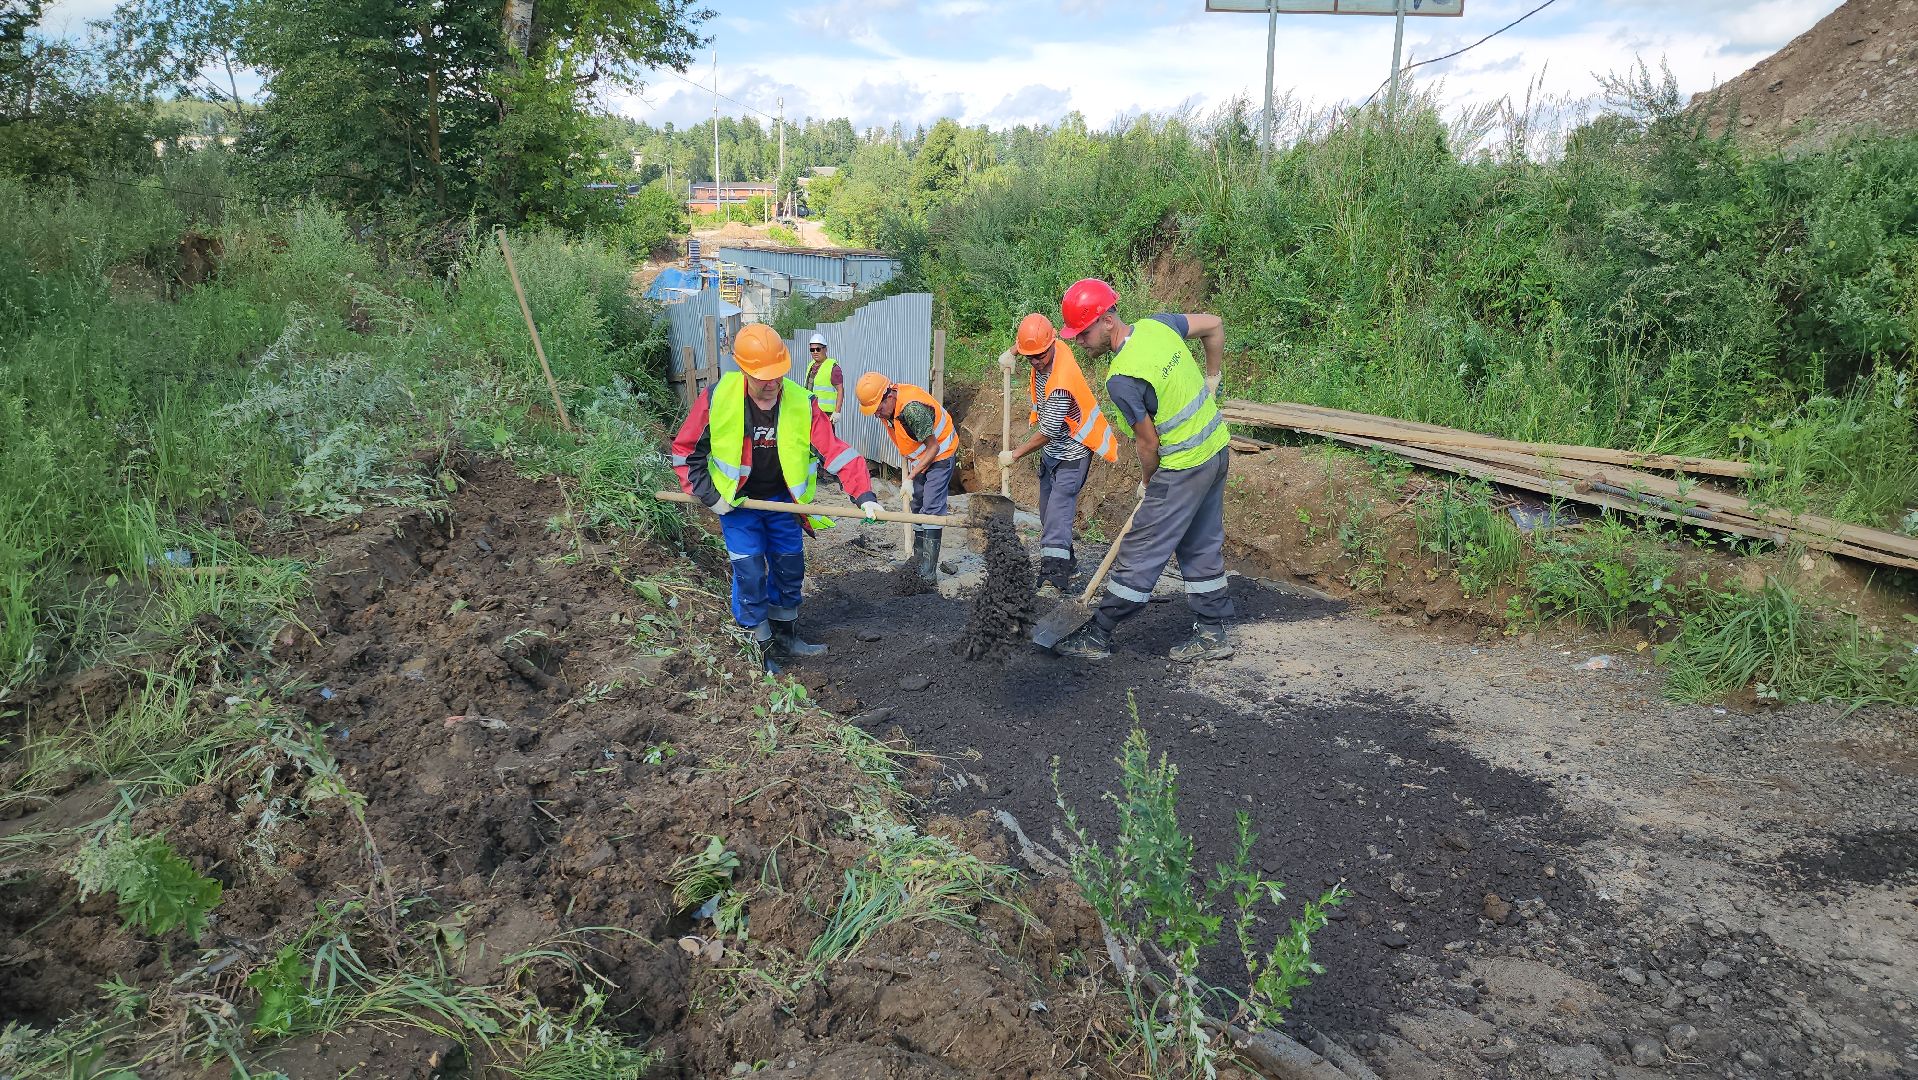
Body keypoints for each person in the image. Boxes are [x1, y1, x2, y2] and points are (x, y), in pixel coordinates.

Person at [673, 323, 880, 672]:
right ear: (744, 370)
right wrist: (711, 497)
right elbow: (685, 453)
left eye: (777, 375)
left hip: (782, 502)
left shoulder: (801, 402)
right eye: (763, 377)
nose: (772, 384)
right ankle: (760, 645)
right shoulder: (717, 399)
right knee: (750, 572)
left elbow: (836, 451)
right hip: (739, 504)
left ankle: (786, 635)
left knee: (788, 568)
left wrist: (864, 495)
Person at [1047, 278, 1234, 663]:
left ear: (1108, 321)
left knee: (1141, 546)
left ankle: (1099, 634)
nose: (1079, 342)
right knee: (1199, 542)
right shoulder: (1158, 325)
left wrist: (1148, 482)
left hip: (1183, 466)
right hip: (1216, 450)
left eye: (1083, 333)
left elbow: (1147, 443)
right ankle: (1213, 634)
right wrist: (1212, 377)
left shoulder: (1123, 378)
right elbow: (1214, 324)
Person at [996, 313, 1118, 598]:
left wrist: (1014, 455)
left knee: (1058, 514)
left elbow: (1048, 431)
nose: (1036, 361)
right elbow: (1030, 340)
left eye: (1040, 356)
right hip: (1054, 452)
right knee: (1047, 512)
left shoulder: (1062, 381)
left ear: (1051, 345)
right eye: (1030, 357)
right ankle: (1070, 566)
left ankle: (1053, 578)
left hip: (1073, 452)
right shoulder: (1049, 344)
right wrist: (1011, 353)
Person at [854, 372, 957, 582]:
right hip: (919, 459)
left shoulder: (912, 410)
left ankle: (928, 574)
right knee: (917, 507)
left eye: (878, 409)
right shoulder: (887, 411)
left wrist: (910, 477)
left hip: (940, 455)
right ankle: (917, 564)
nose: (877, 414)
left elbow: (934, 447)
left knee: (932, 509)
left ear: (889, 396)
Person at [804, 333, 843, 427]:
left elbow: (840, 390)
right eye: (812, 349)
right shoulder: (810, 366)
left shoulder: (833, 368)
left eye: (818, 349)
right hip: (811, 413)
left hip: (825, 416)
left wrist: (837, 412)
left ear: (825, 349)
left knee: (826, 441)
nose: (815, 352)